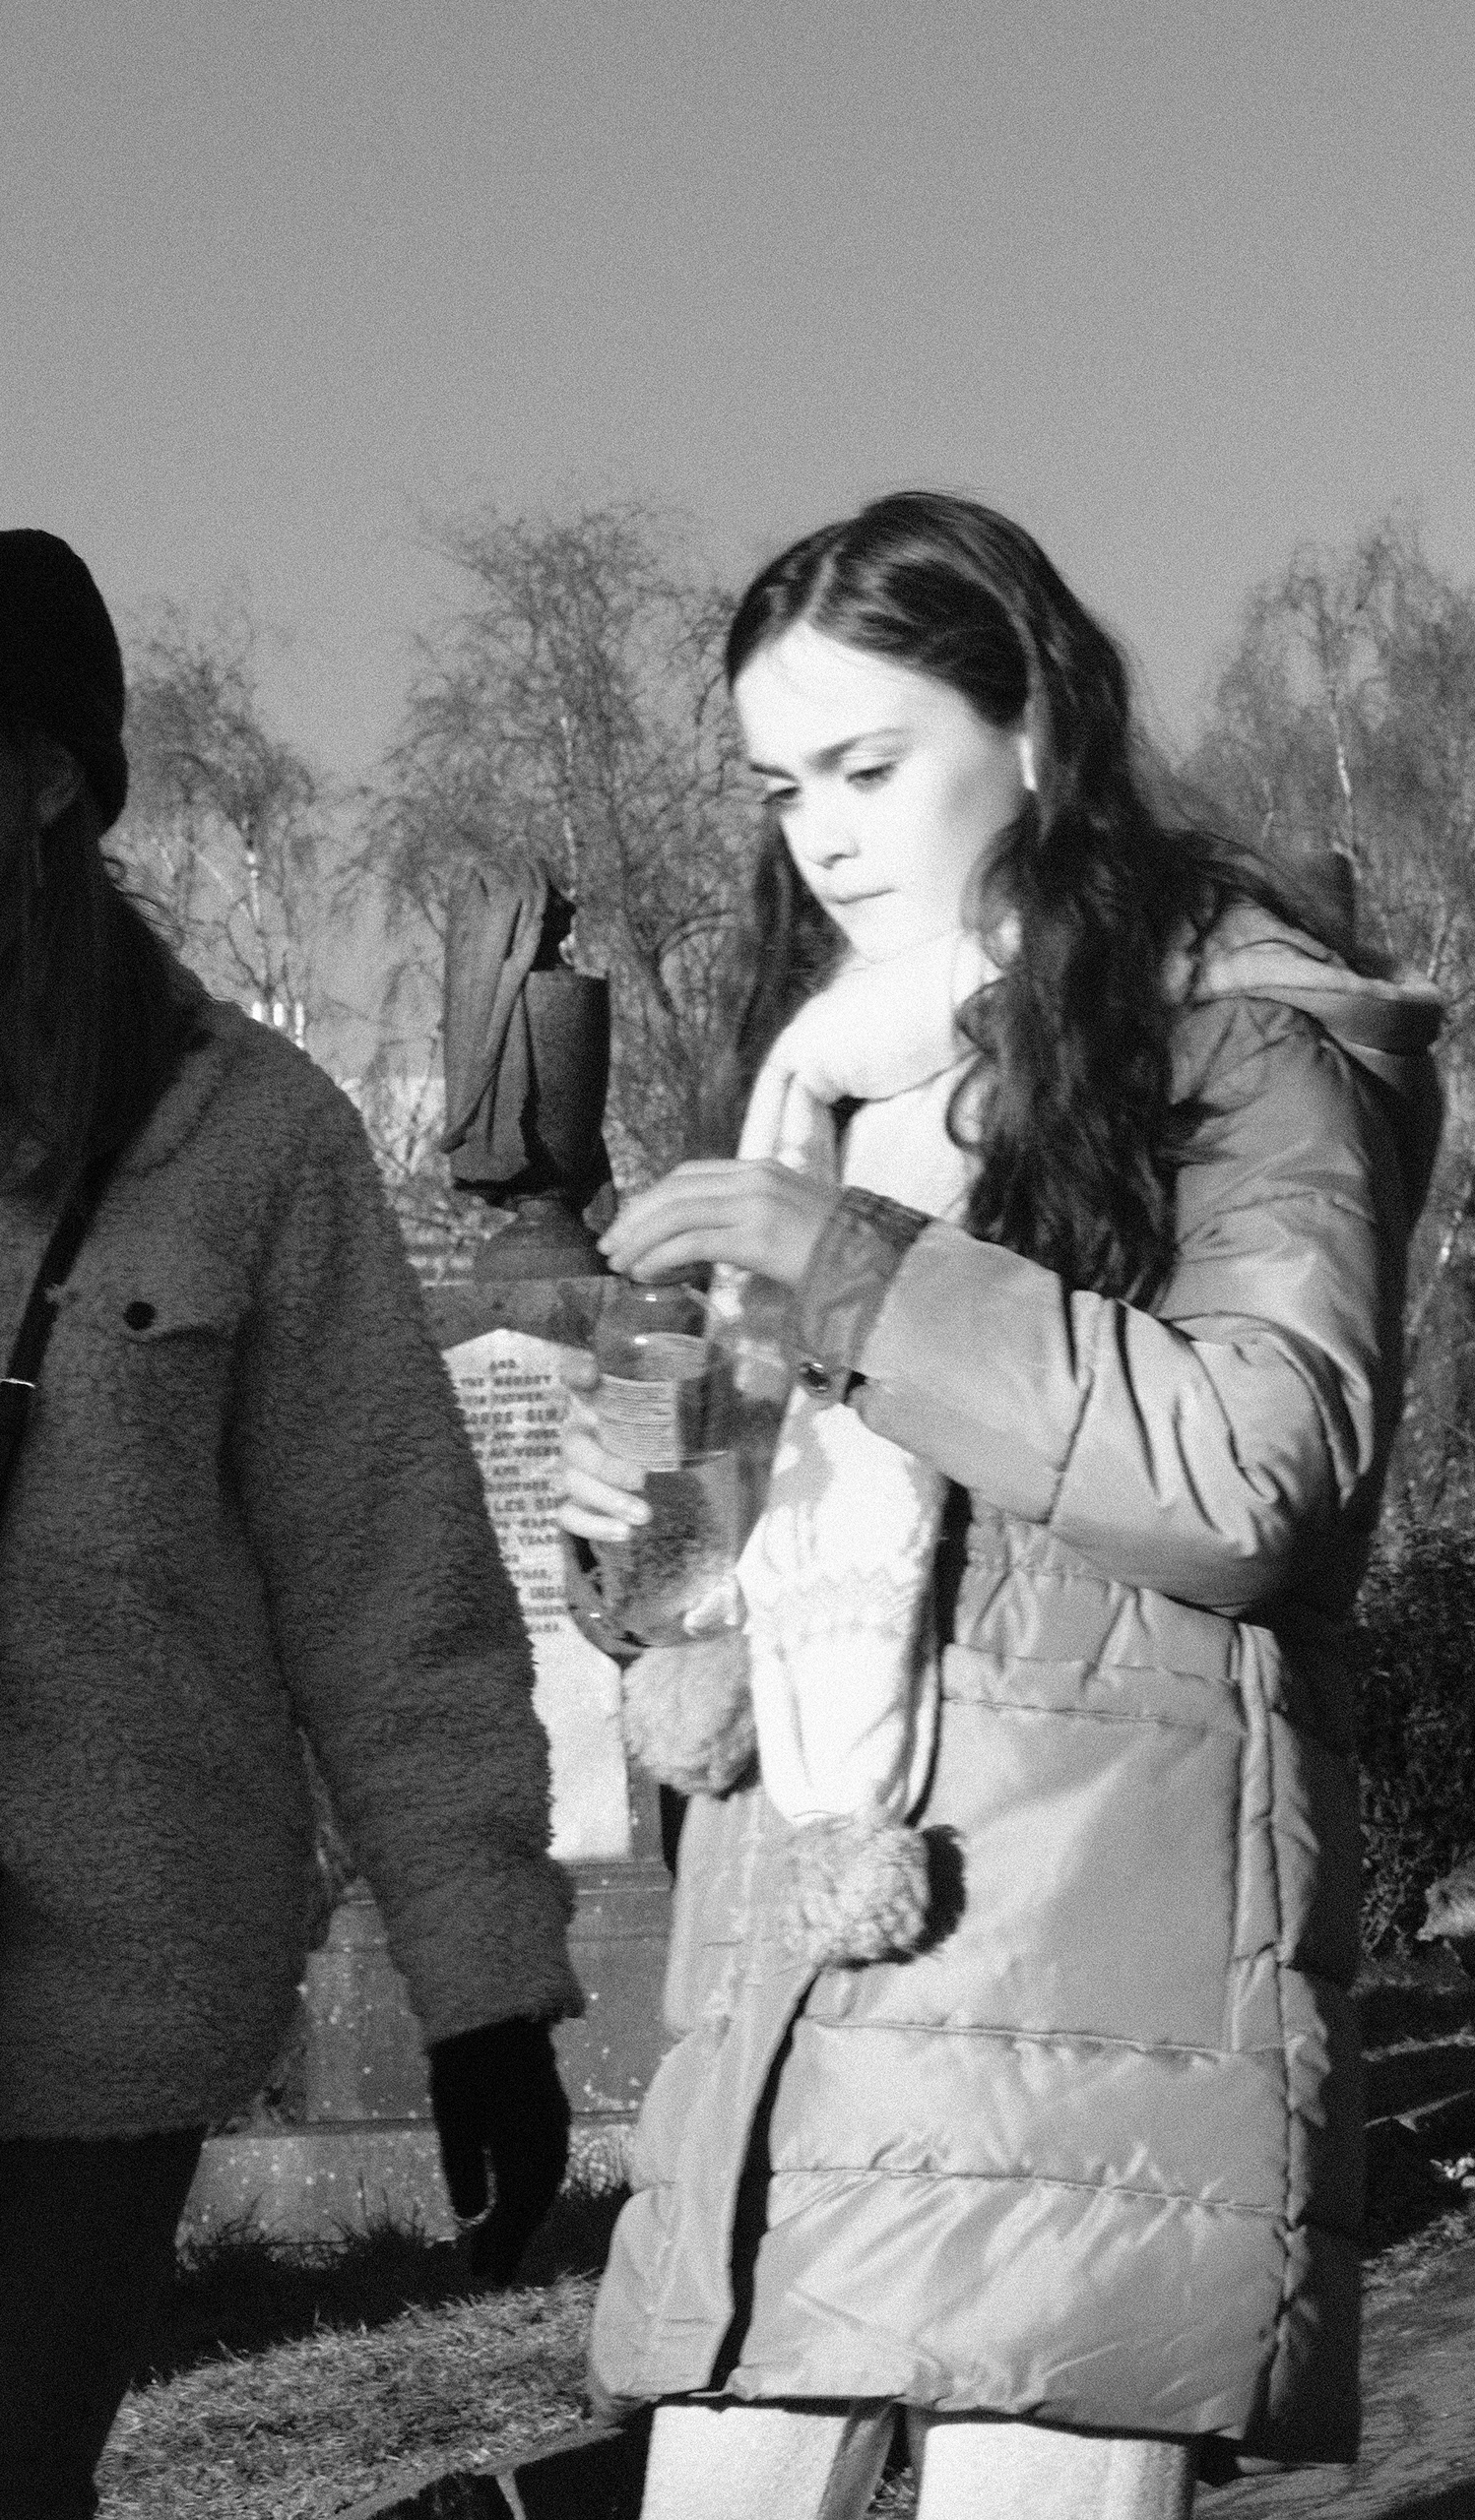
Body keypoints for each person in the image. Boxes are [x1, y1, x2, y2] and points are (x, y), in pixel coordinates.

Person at [563, 492, 1445, 2520]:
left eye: (872, 765)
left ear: (1034, 732)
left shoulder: (1245, 1034)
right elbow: (735, 1571)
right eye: (785, 784)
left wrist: (852, 1271)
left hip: (1082, 2017)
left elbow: (1260, 1469)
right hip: (797, 1991)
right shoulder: (816, 1087)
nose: (826, 832)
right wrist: (642, 1536)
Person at [0, 529, 580, 2520]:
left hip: (96, 2005)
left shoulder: (249, 1139)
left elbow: (391, 1589)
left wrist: (484, 1986)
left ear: (47, 780)